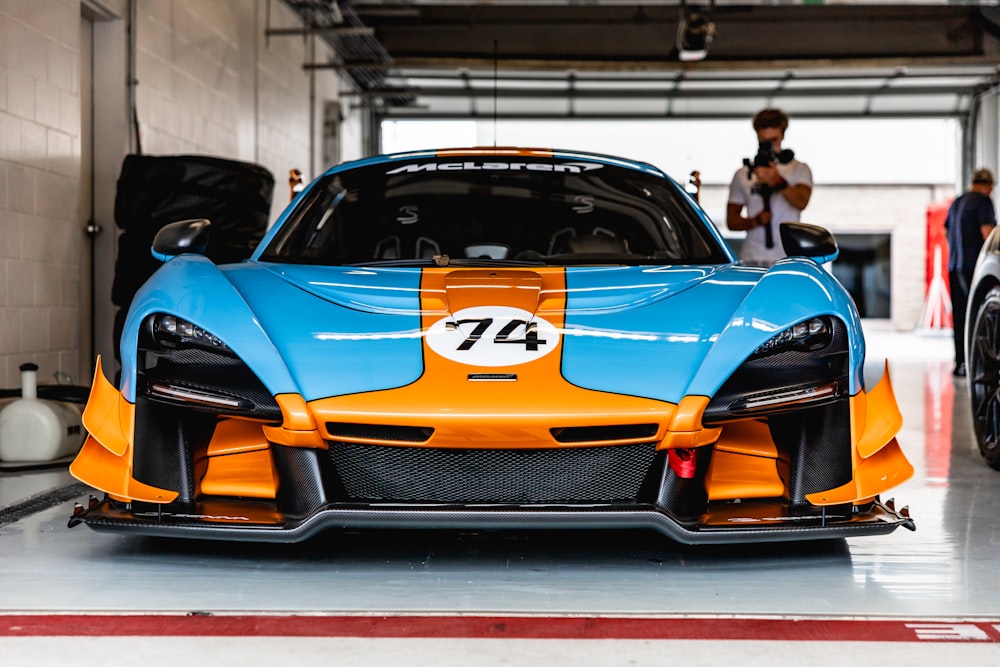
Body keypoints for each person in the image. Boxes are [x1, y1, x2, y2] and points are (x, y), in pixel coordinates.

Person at [727, 108, 813, 267]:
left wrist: (777, 181)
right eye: (764, 141)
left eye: (774, 140)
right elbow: (732, 221)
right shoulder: (743, 174)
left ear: (782, 136)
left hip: (788, 256)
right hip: (752, 256)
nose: (770, 146)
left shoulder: (799, 169)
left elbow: (802, 201)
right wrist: (755, 221)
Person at [945, 167, 997, 377]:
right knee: (978, 317)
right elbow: (988, 235)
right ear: (988, 185)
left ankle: (960, 363)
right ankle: (978, 367)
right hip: (973, 268)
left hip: (954, 266)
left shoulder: (957, 202)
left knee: (959, 317)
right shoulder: (983, 202)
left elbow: (947, 231)